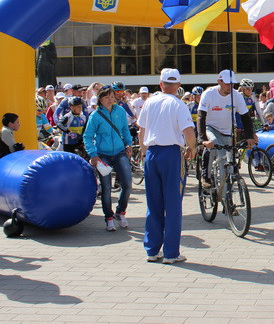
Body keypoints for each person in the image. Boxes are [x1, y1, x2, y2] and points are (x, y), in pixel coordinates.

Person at [137, 68, 196, 264]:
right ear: (178, 85)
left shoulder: (149, 102)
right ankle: (171, 253)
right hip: (171, 153)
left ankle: (152, 249)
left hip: (152, 153)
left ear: (161, 84)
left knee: (153, 203)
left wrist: (144, 152)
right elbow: (188, 131)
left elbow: (142, 131)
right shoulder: (179, 105)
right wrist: (192, 148)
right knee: (172, 204)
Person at [83, 85, 134, 232]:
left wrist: (128, 143)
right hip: (102, 154)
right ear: (100, 99)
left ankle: (120, 212)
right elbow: (87, 136)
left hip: (119, 152)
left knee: (127, 184)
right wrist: (93, 154)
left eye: (112, 97)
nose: (110, 100)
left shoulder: (120, 110)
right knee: (106, 188)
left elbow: (125, 129)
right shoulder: (95, 115)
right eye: (107, 97)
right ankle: (109, 218)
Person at [196, 70, 257, 189]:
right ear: (219, 81)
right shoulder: (209, 94)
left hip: (226, 131)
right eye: (227, 83)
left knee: (226, 167)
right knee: (212, 142)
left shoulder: (237, 96)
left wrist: (250, 136)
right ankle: (206, 176)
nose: (230, 86)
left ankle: (226, 202)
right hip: (210, 127)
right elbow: (201, 117)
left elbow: (245, 117)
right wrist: (202, 139)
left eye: (232, 84)